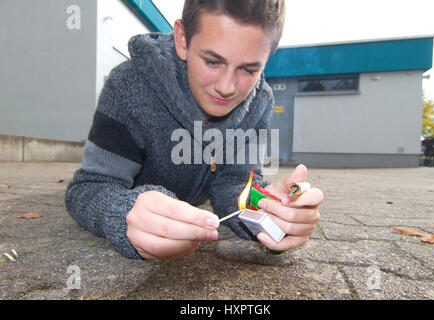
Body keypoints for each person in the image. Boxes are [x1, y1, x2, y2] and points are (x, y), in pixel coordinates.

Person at [65, 0, 323, 260]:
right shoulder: (127, 87)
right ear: (182, 40)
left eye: (248, 69)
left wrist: (266, 209)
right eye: (212, 62)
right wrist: (122, 212)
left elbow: (233, 184)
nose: (226, 87)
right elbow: (89, 187)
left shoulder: (260, 103)